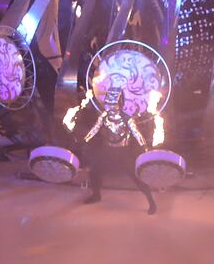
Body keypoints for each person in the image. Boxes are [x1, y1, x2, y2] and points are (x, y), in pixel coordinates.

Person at [63, 78, 158, 214]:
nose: (111, 107)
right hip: (107, 150)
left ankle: (151, 202)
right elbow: (95, 129)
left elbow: (137, 134)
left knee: (136, 177)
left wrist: (145, 148)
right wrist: (85, 140)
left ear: (120, 104)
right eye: (109, 104)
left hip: (124, 153)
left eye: (114, 104)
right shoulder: (104, 116)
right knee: (95, 170)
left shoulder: (127, 119)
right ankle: (96, 195)